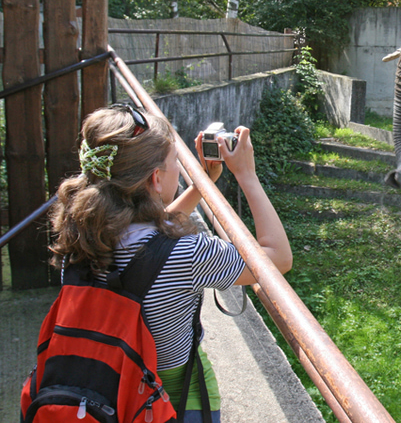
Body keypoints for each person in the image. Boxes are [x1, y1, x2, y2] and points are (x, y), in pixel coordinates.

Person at [49, 104, 292, 423]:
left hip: (105, 382)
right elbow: (277, 259)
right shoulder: (187, 253)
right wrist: (247, 176)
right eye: (176, 161)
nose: (181, 166)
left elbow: (148, 242)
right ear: (156, 179)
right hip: (172, 397)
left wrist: (201, 185)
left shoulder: (80, 232)